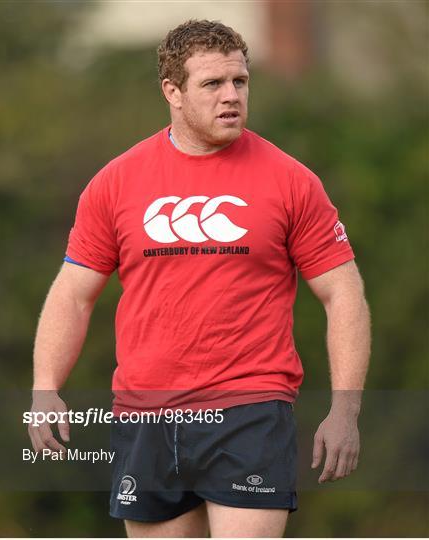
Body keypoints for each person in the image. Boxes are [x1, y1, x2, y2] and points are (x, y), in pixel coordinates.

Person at [28, 19, 371, 538]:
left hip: (249, 409)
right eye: (212, 84)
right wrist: (44, 387)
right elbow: (74, 295)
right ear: (173, 92)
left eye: (240, 81)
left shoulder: (291, 181)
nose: (231, 96)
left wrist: (345, 410)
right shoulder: (117, 182)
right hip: (144, 414)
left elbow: (342, 293)